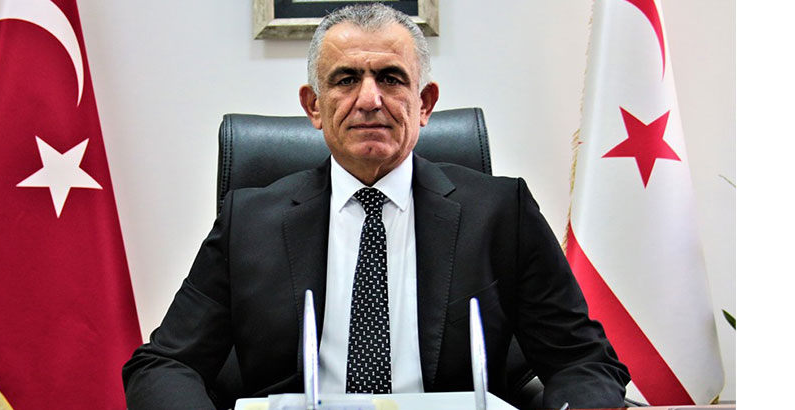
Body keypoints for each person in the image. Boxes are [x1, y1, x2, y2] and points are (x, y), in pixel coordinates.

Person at [122, 4, 629, 409]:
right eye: (345, 80)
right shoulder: (249, 221)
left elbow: (582, 362)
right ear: (314, 106)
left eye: (390, 78)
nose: (369, 100)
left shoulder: (500, 212)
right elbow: (165, 364)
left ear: (424, 103)